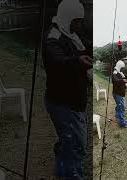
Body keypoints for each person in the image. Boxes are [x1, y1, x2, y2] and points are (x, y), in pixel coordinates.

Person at [42, 0, 91, 179]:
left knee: (69, 142)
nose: (79, 24)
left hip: (73, 103)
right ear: (67, 18)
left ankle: (61, 170)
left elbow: (87, 46)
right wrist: (77, 61)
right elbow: (57, 61)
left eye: (79, 21)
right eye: (76, 20)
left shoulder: (71, 34)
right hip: (63, 103)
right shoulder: (53, 37)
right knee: (76, 145)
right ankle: (71, 175)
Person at [112, 60, 127, 127]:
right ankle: (122, 123)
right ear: (119, 66)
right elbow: (115, 80)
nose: (122, 69)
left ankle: (118, 116)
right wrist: (122, 81)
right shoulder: (115, 73)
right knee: (121, 107)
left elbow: (125, 77)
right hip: (118, 93)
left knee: (119, 106)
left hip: (120, 93)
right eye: (122, 67)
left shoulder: (119, 72)